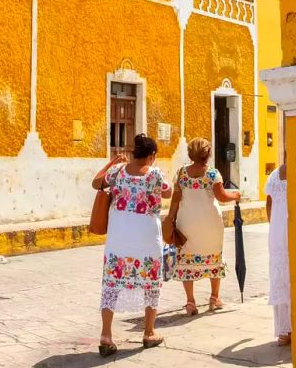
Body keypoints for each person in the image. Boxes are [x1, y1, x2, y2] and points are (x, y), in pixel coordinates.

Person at [91, 134, 172, 357]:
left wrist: (112, 164)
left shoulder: (117, 172)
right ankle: (148, 332)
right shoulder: (155, 174)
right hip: (146, 238)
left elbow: (96, 183)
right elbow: (168, 191)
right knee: (150, 284)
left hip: (119, 238)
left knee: (111, 285)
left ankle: (106, 336)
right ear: (152, 155)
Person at [169, 138, 241, 316]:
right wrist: (236, 195)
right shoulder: (212, 174)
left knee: (187, 259)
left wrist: (171, 217)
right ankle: (215, 297)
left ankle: (190, 302)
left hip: (187, 222)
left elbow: (176, 198)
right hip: (210, 223)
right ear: (208, 154)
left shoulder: (181, 173)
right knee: (214, 256)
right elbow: (222, 196)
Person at [265, 162, 291, 345]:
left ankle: (284, 331)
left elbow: (269, 205)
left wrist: (274, 226)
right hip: (292, 231)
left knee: (280, 278)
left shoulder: (274, 175)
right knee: (293, 278)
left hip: (277, 233)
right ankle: (295, 327)